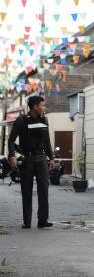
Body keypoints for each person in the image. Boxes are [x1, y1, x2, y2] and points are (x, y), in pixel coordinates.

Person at [8, 96, 55, 229]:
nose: (44, 108)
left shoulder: (44, 120)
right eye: (42, 105)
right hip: (26, 160)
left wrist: (51, 158)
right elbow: (11, 140)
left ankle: (43, 220)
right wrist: (12, 155)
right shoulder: (21, 120)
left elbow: (47, 141)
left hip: (41, 159)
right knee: (26, 190)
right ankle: (27, 221)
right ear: (35, 106)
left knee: (43, 189)